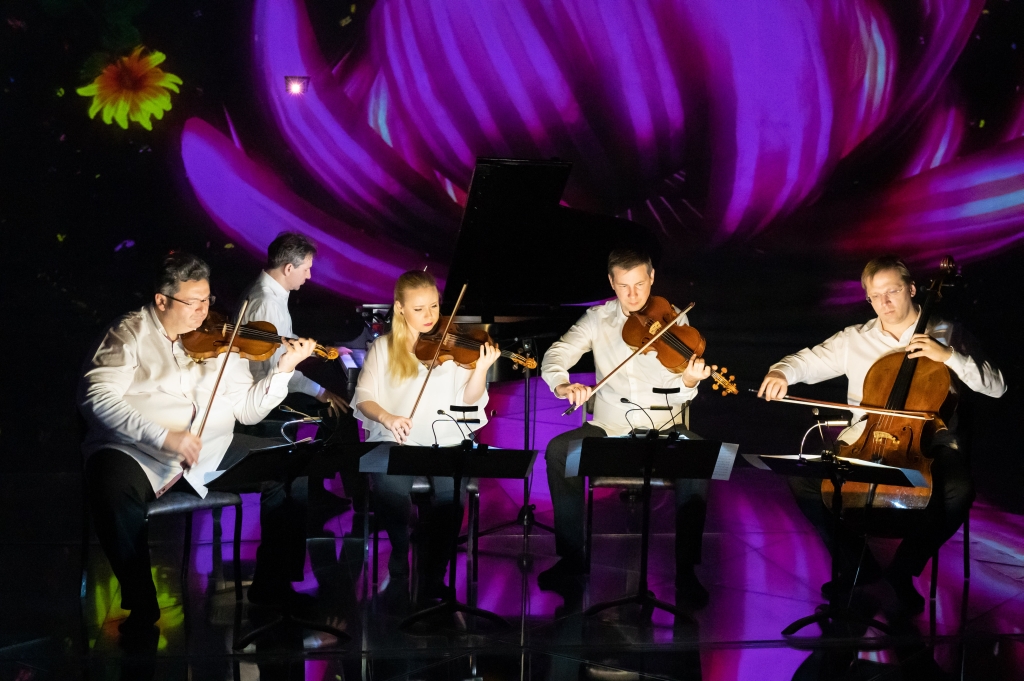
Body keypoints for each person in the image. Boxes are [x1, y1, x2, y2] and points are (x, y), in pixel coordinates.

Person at [79, 252, 316, 635]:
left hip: (212, 449)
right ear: (162, 301)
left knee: (292, 470)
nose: (203, 312)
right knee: (110, 483)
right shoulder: (129, 332)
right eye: (192, 303)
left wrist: (282, 371)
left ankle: (272, 586)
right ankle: (141, 601)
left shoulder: (223, 341)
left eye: (207, 301)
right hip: (138, 451)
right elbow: (96, 396)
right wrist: (163, 435)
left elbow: (248, 411)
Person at [758, 255, 1006, 613]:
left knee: (958, 491)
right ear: (868, 299)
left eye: (893, 291)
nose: (885, 303)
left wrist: (949, 356)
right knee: (805, 481)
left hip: (925, 447)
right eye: (876, 296)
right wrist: (781, 372)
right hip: (863, 443)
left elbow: (997, 386)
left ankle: (902, 570)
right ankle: (858, 564)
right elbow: (806, 361)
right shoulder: (854, 339)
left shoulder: (947, 334)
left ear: (912, 289)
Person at [538, 247, 715, 608]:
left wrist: (691, 382)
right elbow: (556, 354)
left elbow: (683, 391)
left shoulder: (676, 323)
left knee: (700, 457)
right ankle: (572, 559)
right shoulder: (597, 320)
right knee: (559, 451)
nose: (633, 296)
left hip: (666, 428)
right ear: (611, 283)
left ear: (651, 278)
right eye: (624, 287)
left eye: (640, 284)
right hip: (608, 427)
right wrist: (562, 384)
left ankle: (686, 571)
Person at [351, 270, 498, 601]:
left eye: (434, 306)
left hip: (445, 438)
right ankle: (402, 547)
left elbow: (470, 400)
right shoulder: (384, 348)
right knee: (389, 487)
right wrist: (388, 417)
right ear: (400, 308)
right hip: (395, 438)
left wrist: (481, 370)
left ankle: (433, 575)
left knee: (453, 497)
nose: (430, 316)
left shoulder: (455, 342)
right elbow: (364, 398)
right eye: (419, 309)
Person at [238, 232, 348, 415]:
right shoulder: (267, 303)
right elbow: (276, 370)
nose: (309, 276)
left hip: (268, 386)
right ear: (289, 269)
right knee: (335, 403)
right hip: (262, 397)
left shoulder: (269, 292)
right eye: (306, 269)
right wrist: (319, 391)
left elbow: (283, 339)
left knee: (326, 376)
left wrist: (320, 350)